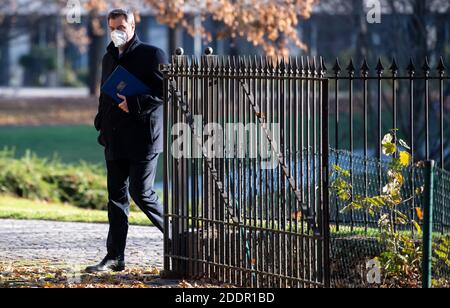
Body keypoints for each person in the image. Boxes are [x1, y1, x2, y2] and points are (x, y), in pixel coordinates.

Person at [85, 8, 168, 273]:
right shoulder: (108, 56)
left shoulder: (152, 54)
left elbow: (164, 93)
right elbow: (104, 92)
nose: (116, 33)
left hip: (143, 137)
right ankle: (114, 258)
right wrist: (101, 121)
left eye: (121, 27)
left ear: (133, 25)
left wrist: (133, 103)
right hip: (115, 137)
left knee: (141, 192)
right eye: (112, 28)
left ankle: (178, 235)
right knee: (116, 199)